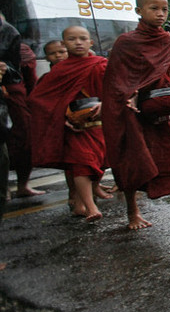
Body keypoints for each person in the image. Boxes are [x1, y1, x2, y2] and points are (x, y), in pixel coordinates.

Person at [103, 0, 170, 233]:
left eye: (164, 9)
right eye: (154, 9)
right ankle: (133, 212)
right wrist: (131, 93)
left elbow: (169, 73)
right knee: (134, 159)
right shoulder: (126, 43)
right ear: (139, 11)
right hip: (134, 112)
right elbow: (117, 79)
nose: (161, 14)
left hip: (164, 110)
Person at [28, 25, 108, 222]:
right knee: (81, 164)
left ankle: (81, 203)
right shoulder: (60, 71)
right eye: (72, 39)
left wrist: (104, 103)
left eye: (82, 38)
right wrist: (62, 115)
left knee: (98, 162)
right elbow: (38, 100)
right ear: (65, 44)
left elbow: (115, 88)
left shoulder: (100, 64)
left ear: (91, 42)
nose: (78, 43)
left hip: (98, 124)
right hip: (75, 127)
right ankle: (90, 207)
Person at [0, 14, 43, 199]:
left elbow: (27, 79)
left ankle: (21, 185)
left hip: (15, 97)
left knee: (24, 139)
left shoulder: (17, 45)